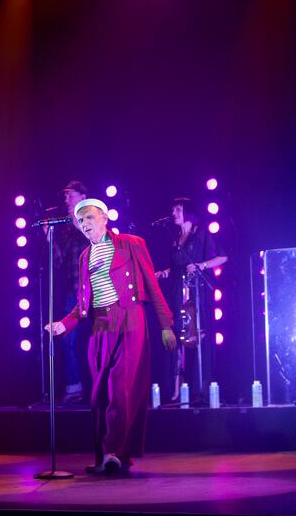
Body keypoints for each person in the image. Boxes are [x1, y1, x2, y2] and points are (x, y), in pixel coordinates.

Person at [45, 199, 176, 475]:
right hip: (101, 325)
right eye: (81, 221)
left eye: (90, 217)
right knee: (99, 393)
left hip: (130, 318)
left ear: (104, 217)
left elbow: (152, 286)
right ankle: (109, 454)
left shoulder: (131, 243)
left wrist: (166, 324)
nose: (85, 224)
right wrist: (63, 325)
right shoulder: (84, 257)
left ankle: (114, 451)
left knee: (121, 387)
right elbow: (83, 306)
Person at [154, 198, 227, 401]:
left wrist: (201, 266)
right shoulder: (176, 239)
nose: (174, 213)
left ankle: (199, 387)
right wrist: (164, 273)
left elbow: (222, 257)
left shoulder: (201, 235)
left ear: (188, 213)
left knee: (196, 335)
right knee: (178, 336)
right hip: (178, 291)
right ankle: (178, 389)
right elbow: (178, 268)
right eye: (173, 209)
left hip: (196, 292)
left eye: (178, 209)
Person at [50, 181, 91, 404]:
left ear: (82, 196)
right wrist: (49, 240)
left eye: (70, 195)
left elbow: (100, 244)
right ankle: (74, 386)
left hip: (95, 289)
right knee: (66, 335)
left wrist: (78, 224)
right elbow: (59, 263)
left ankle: (103, 385)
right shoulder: (65, 228)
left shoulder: (94, 216)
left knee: (100, 339)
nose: (66, 200)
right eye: (65, 196)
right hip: (73, 291)